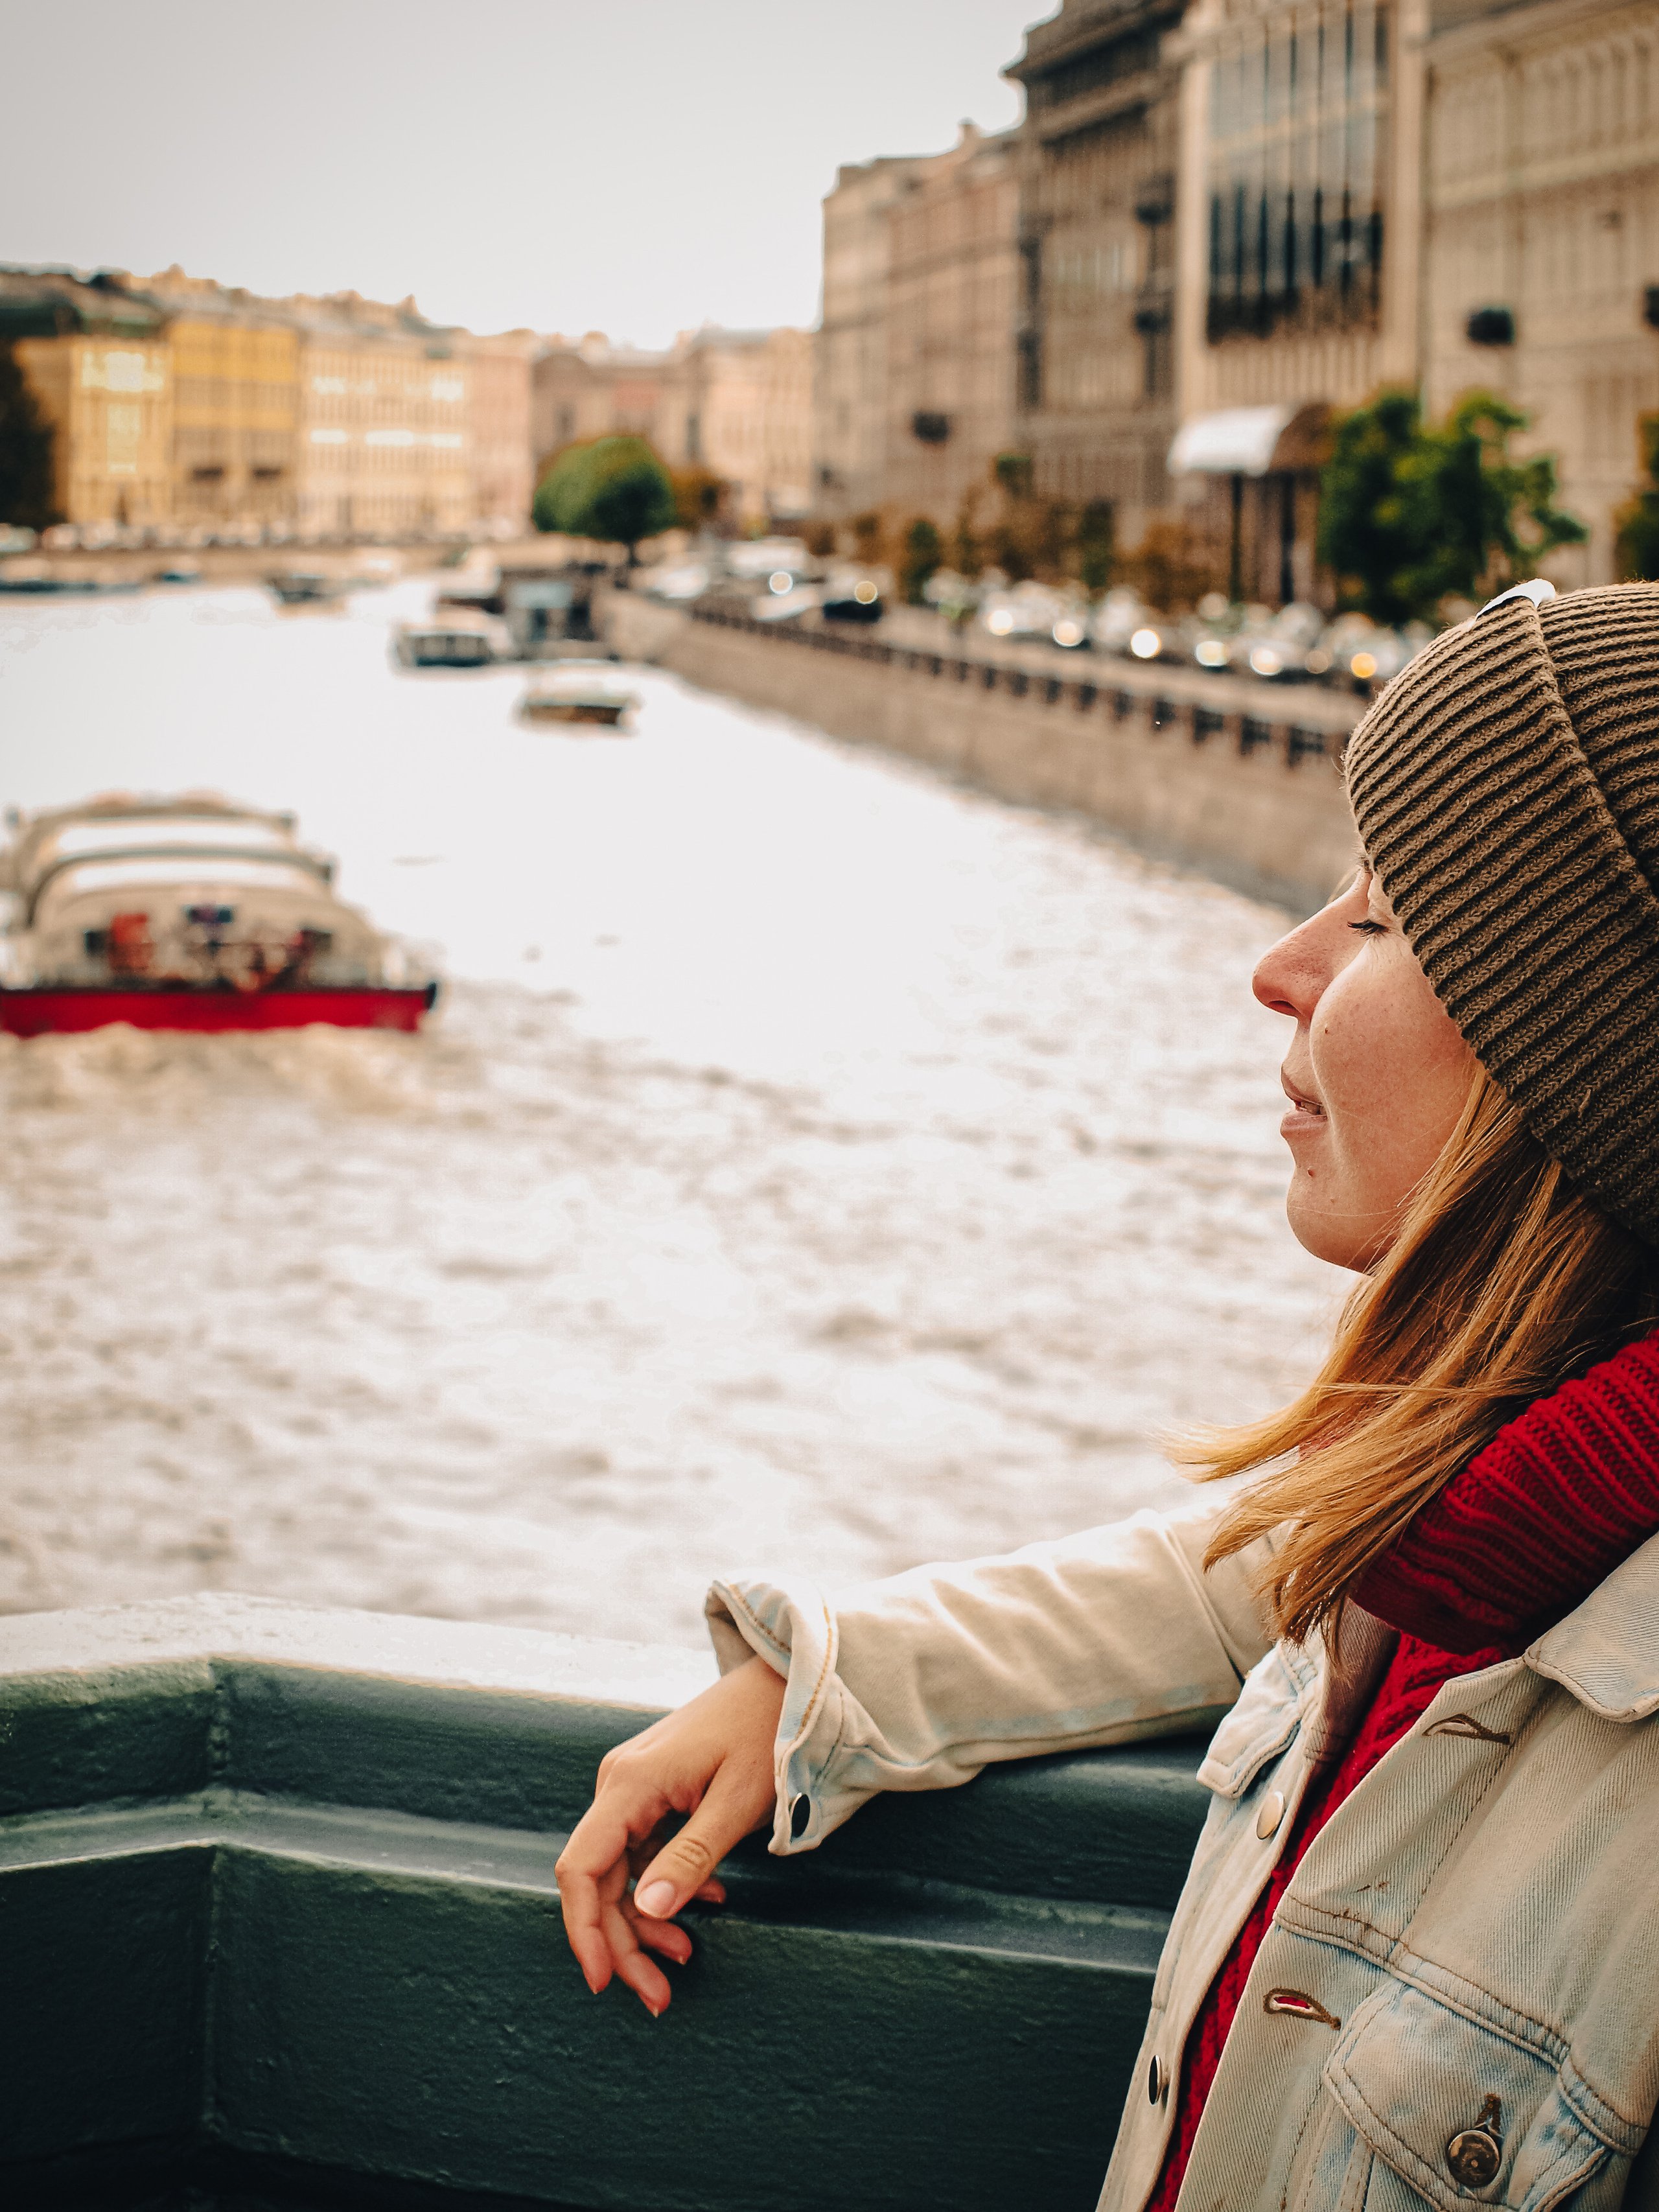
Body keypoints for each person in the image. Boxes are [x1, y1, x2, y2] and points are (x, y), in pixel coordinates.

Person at [557, 579, 1659, 2211]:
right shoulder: (1488, 1501)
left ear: (1562, 1057)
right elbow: (1252, 1575)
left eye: (1376, 920)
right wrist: (823, 1683)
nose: (1274, 969)